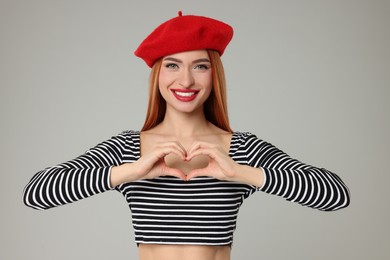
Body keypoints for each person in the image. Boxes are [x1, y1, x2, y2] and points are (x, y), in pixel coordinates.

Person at [23, 11, 350, 260]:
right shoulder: (128, 147)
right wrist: (131, 171)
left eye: (200, 66)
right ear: (157, 74)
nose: (186, 80)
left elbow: (336, 195)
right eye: (172, 65)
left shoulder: (240, 149)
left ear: (214, 75)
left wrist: (240, 173)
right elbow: (36, 193)